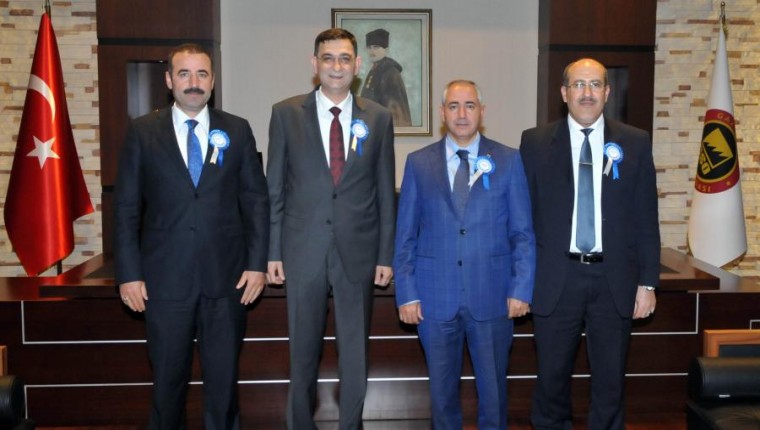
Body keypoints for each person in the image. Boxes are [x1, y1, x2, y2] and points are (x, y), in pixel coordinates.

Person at [114, 43, 269, 429]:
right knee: (167, 387)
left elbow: (256, 202)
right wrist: (129, 274)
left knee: (223, 388)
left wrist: (257, 265)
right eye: (184, 73)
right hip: (164, 283)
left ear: (213, 81)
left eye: (202, 74)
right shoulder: (143, 132)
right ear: (169, 80)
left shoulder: (237, 129)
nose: (193, 82)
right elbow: (126, 208)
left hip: (227, 281)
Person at [519, 58, 660, 430]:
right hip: (556, 278)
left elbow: (646, 216)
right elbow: (522, 219)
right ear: (564, 93)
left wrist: (647, 283)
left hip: (615, 280)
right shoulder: (534, 143)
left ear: (607, 92)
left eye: (595, 84)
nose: (587, 93)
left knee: (611, 382)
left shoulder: (635, 141)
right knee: (551, 379)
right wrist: (520, 280)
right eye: (578, 85)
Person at [266, 28, 395, 430]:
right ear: (314, 63)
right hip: (302, 250)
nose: (336, 66)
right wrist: (273, 251)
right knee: (301, 353)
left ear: (358, 65)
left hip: (358, 252)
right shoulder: (286, 113)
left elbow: (385, 192)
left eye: (344, 58)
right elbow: (275, 189)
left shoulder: (379, 117)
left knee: (354, 354)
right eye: (328, 58)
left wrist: (385, 255)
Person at [394, 80, 536, 429]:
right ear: (442, 113)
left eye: (469, 105)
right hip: (433, 299)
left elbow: (522, 233)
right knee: (442, 397)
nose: (462, 113)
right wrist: (407, 293)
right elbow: (405, 236)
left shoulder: (508, 160)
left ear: (481, 112)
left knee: (494, 394)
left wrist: (521, 288)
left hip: (493, 297)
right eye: (454, 106)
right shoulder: (418, 163)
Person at [360, 28, 412, 127]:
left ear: (386, 50)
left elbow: (397, 112)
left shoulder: (390, 73)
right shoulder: (374, 71)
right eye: (369, 47)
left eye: (376, 47)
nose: (372, 51)